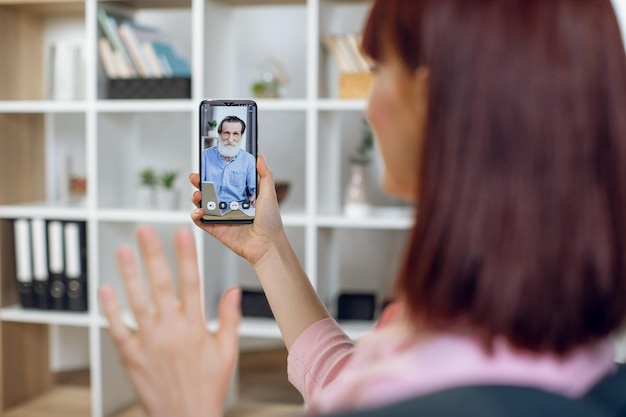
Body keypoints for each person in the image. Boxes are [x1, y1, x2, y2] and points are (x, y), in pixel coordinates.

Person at [99, 0, 626, 416]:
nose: (368, 103)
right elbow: (355, 386)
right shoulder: (549, 347)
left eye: (378, 70)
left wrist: (189, 408)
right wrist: (270, 252)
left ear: (433, 101)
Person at [201, 115, 256, 206]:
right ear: (219, 134)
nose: (230, 139)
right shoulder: (205, 156)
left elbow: (254, 190)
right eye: (226, 133)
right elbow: (199, 187)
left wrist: (256, 196)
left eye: (235, 134)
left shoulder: (249, 160)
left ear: (241, 136)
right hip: (211, 207)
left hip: (239, 209)